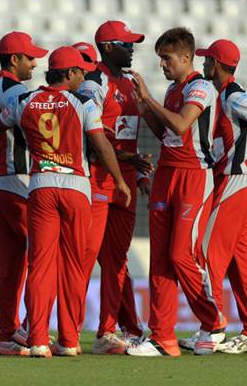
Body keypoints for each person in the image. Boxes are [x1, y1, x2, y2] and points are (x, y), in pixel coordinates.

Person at [0, 46, 131, 358]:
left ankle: (38, 340)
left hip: (41, 185)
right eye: (80, 72)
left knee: (40, 265)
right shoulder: (83, 103)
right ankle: (69, 340)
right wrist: (120, 181)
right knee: (73, 266)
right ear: (69, 73)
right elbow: (101, 145)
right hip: (76, 188)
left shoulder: (24, 100)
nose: (83, 78)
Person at [179, 39, 247, 355]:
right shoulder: (221, 95)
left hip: (234, 181)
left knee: (208, 252)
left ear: (215, 64)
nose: (202, 65)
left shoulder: (234, 96)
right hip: (232, 181)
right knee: (242, 262)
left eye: (206, 60)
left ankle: (212, 328)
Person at [125, 27, 225, 357]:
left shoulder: (201, 87)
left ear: (186, 57)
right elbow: (167, 133)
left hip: (193, 175)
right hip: (167, 173)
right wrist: (144, 107)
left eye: (167, 58)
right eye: (160, 59)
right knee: (160, 259)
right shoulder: (172, 89)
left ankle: (214, 321)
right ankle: (162, 336)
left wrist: (148, 99)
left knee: (181, 255)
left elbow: (182, 124)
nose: (162, 65)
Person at [76, 21, 153, 355]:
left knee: (117, 261)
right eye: (127, 44)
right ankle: (68, 332)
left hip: (125, 185)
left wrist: (138, 174)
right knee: (84, 257)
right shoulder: (95, 82)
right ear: (108, 47)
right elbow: (91, 139)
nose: (132, 49)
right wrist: (129, 162)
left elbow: (127, 135)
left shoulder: (131, 84)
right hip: (97, 180)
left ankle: (108, 331)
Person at [0, 31, 48, 356]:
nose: (34, 63)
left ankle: (8, 333)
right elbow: (28, 129)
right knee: (44, 255)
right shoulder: (16, 90)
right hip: (17, 181)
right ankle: (30, 328)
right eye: (29, 57)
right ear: (14, 59)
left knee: (10, 265)